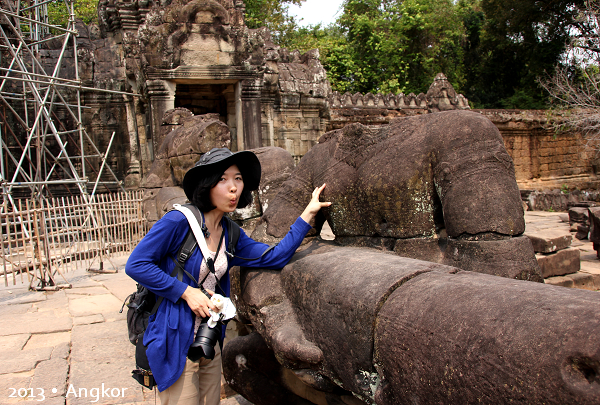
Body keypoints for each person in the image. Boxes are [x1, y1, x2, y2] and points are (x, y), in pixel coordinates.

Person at [125, 147, 331, 405]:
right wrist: (187, 292)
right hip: (173, 338)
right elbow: (136, 264)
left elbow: (274, 256)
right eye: (223, 179)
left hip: (208, 340)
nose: (233, 187)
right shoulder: (178, 221)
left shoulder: (231, 233)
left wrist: (308, 213)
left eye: (238, 179)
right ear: (207, 185)